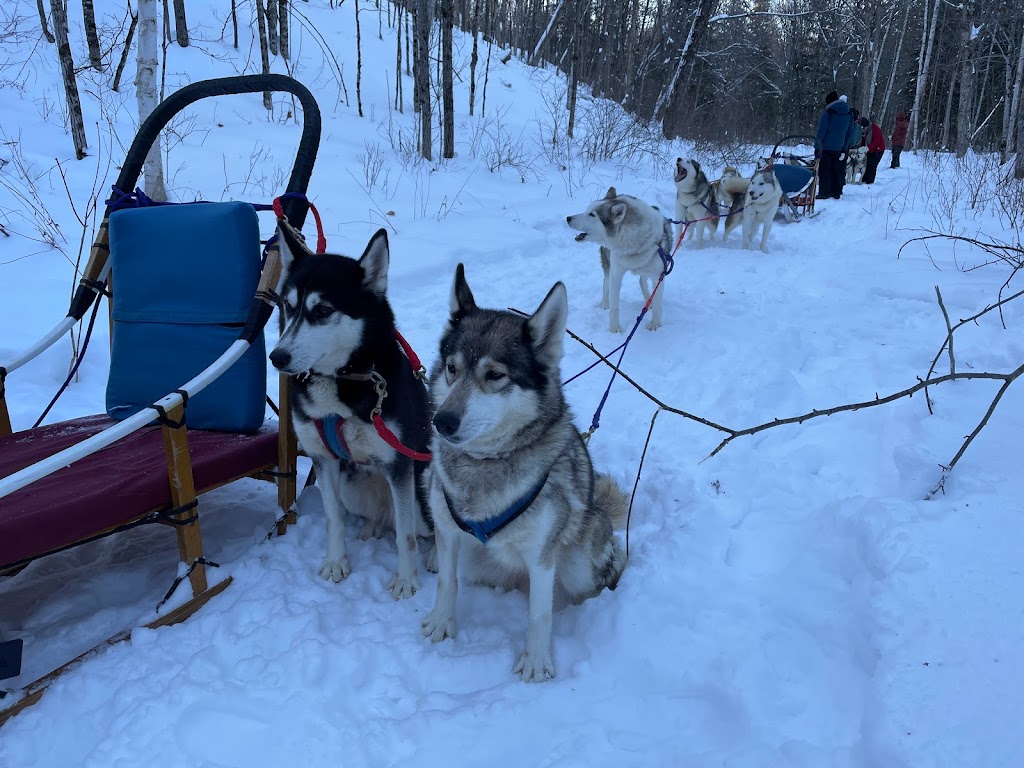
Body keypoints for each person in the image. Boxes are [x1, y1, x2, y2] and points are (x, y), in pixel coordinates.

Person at [814, 90, 854, 200]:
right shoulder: (849, 114)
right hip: (839, 148)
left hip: (825, 147)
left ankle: (824, 192)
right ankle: (836, 191)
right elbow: (849, 133)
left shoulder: (828, 113)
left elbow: (822, 131)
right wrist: (844, 148)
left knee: (824, 170)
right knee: (836, 170)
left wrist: (817, 146)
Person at [860, 116, 885, 184]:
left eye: (864, 127)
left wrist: (866, 147)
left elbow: (875, 142)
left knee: (872, 165)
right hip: (869, 150)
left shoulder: (876, 129)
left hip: (878, 150)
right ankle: (864, 179)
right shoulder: (864, 131)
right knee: (867, 164)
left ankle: (870, 181)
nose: (863, 129)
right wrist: (861, 147)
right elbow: (863, 140)